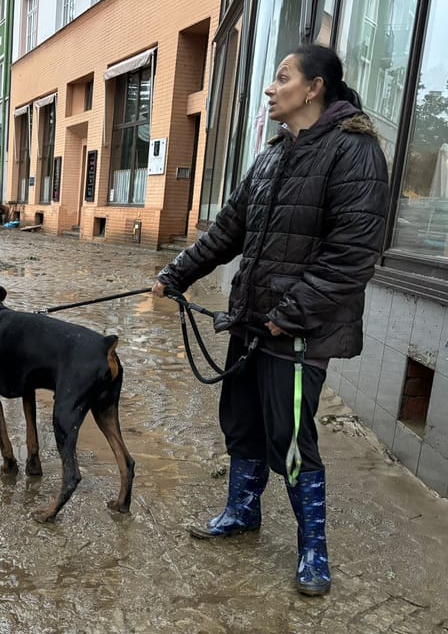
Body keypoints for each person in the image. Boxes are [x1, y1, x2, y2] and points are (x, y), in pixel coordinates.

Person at [153, 44, 388, 596]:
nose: (269, 88)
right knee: (242, 422)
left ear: (314, 88)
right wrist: (175, 275)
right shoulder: (271, 155)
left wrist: (288, 317)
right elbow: (228, 229)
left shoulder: (354, 152)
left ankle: (313, 550)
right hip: (251, 321)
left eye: (282, 77)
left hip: (298, 332)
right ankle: (242, 511)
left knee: (291, 437)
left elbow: (353, 255)